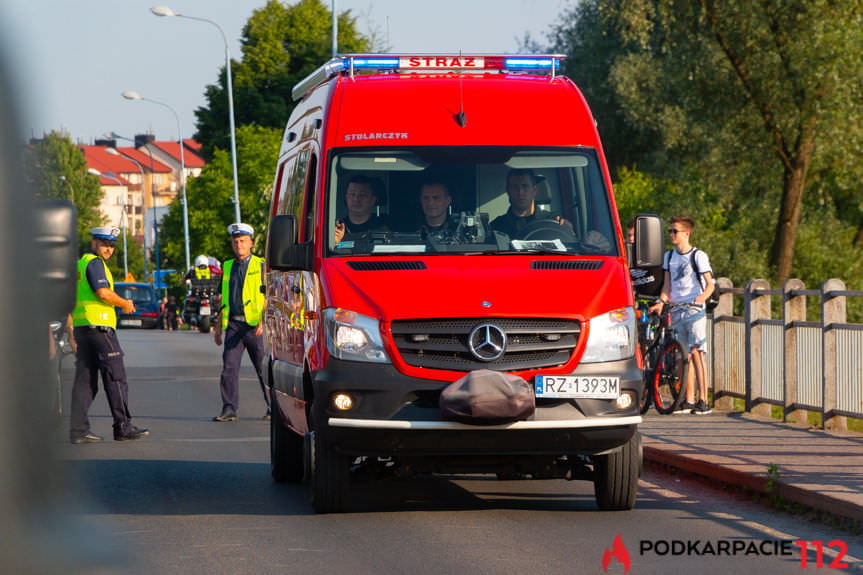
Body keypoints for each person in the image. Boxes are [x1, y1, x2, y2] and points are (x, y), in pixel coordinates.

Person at [69, 226, 149, 443]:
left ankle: (78, 430)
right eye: (105, 244)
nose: (109, 249)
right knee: (116, 377)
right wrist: (124, 303)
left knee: (85, 381)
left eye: (112, 245)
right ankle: (123, 426)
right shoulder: (95, 264)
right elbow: (103, 292)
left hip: (83, 328)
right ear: (94, 243)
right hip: (100, 328)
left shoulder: (80, 264)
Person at [649, 216, 715, 415]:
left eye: (674, 231)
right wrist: (661, 302)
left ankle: (703, 400)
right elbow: (667, 286)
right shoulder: (670, 257)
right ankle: (687, 399)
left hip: (694, 310)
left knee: (697, 352)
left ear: (687, 234)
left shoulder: (698, 256)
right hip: (677, 309)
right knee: (682, 354)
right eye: (670, 231)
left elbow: (710, 284)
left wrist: (701, 298)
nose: (671, 235)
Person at [213, 223, 269, 421]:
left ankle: (273, 407)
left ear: (251, 243)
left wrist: (264, 321)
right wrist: (218, 328)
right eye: (236, 242)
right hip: (234, 325)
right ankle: (229, 409)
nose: (239, 245)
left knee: (263, 369)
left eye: (243, 241)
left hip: (255, 325)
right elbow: (222, 299)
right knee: (229, 368)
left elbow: (269, 295)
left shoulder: (261, 265)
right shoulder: (227, 266)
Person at [490, 168, 571, 238]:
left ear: (534, 190)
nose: (520, 192)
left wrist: (568, 230)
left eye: (525, 186)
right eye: (515, 187)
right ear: (508, 191)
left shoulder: (553, 223)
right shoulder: (496, 226)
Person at [333, 174, 388, 244]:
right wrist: (335, 242)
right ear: (346, 198)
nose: (356, 199)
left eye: (362, 195)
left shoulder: (384, 226)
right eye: (352, 194)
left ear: (373, 200)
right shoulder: (337, 228)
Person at [627, 218, 664, 298]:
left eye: (634, 235)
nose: (631, 239)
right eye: (629, 235)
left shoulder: (657, 252)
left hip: (656, 301)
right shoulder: (624, 254)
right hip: (635, 302)